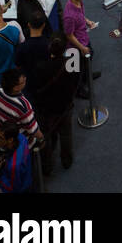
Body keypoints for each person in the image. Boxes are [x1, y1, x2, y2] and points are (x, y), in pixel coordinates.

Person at [31, 33, 78, 176]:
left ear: (49, 48)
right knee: (66, 134)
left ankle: (47, 166)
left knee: (46, 137)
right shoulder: (70, 64)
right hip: (64, 107)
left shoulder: (40, 67)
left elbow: (36, 89)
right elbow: (74, 84)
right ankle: (66, 160)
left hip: (46, 109)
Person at [62, 0, 99, 99]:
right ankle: (79, 90)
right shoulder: (69, 16)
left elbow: (81, 15)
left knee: (89, 58)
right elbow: (69, 35)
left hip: (84, 38)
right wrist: (82, 48)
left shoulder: (78, 2)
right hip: (75, 48)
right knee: (75, 72)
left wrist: (87, 21)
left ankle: (86, 76)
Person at [0, 68, 42, 150]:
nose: (25, 79)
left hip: (4, 136)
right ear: (15, 88)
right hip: (21, 143)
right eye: (22, 81)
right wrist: (42, 138)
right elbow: (33, 130)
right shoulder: (23, 105)